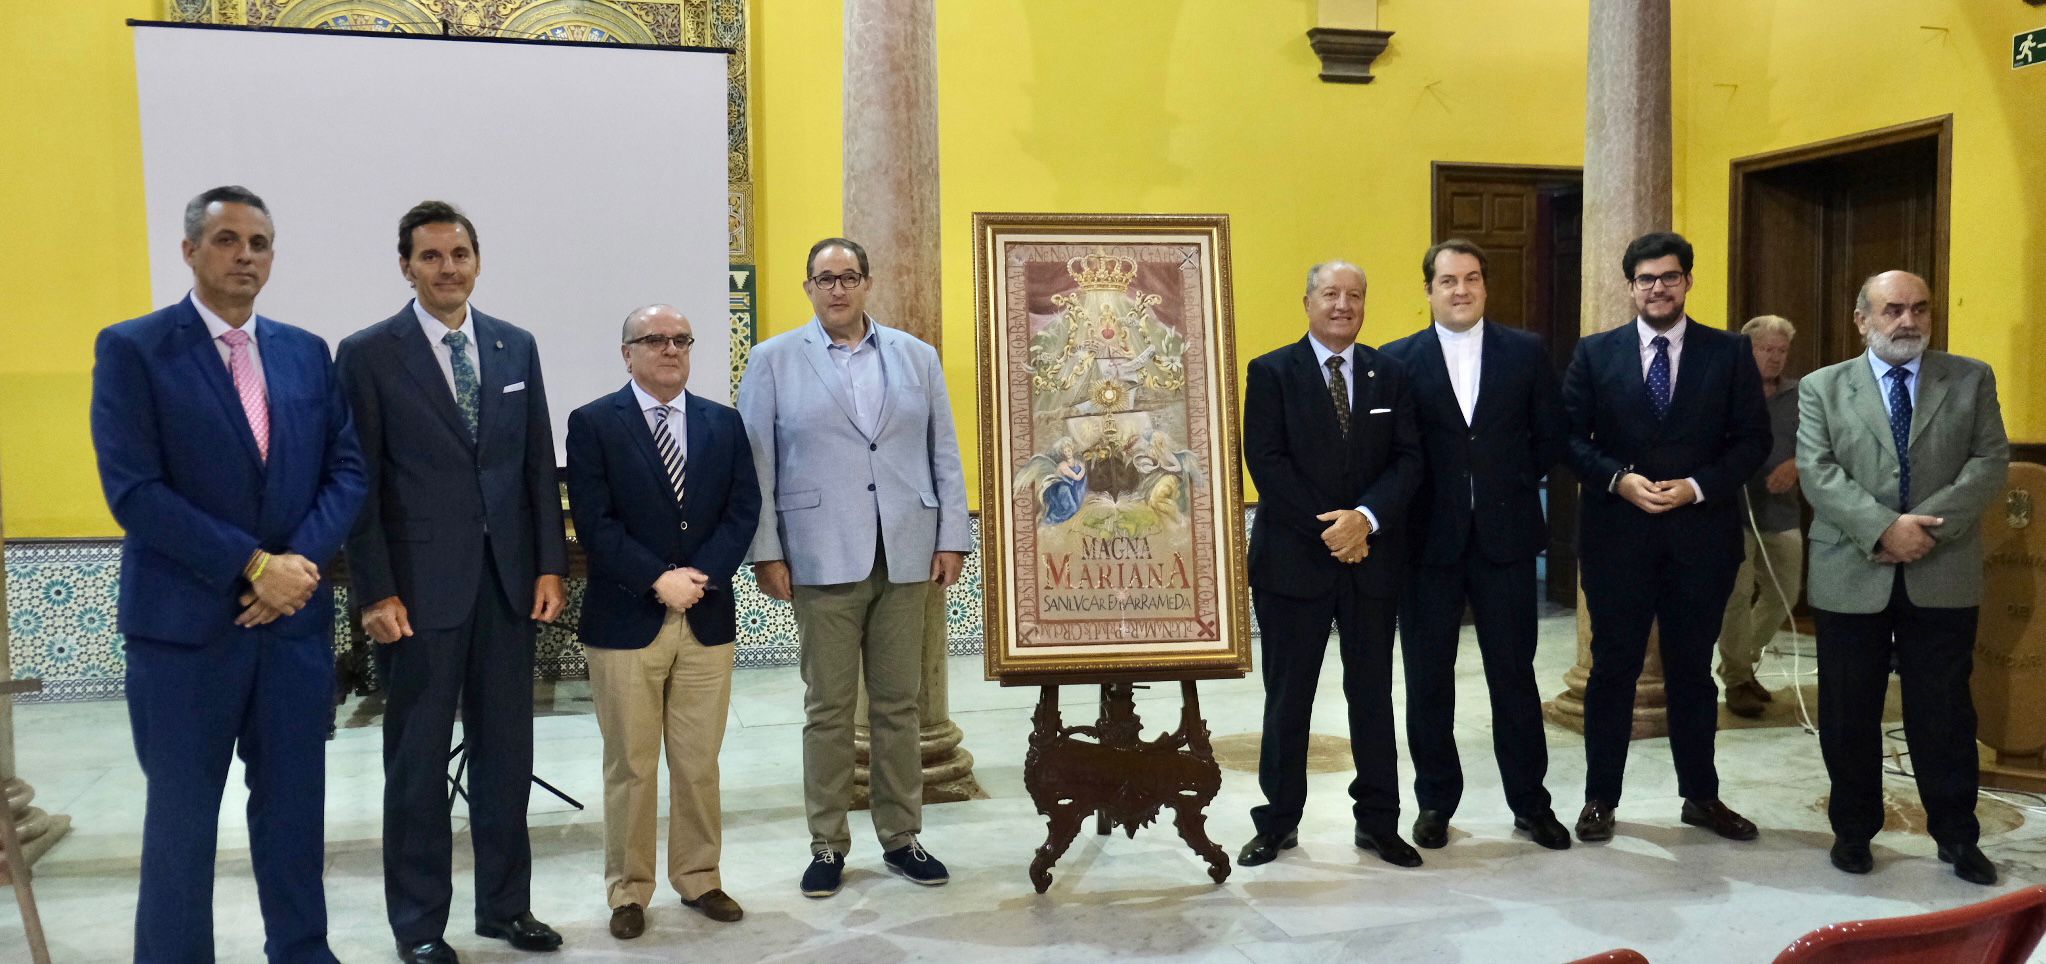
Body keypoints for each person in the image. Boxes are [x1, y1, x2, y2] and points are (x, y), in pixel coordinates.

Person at [91, 185, 365, 963]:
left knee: (293, 813)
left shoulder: (305, 351)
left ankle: (302, 951)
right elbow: (133, 490)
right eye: (228, 240)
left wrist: (297, 570)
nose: (246, 255)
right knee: (181, 820)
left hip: (292, 632)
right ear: (190, 251)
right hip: (185, 635)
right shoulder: (135, 348)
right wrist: (252, 566)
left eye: (260, 243)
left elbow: (345, 470)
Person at [336, 201, 569, 963]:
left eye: (460, 254)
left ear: (477, 260)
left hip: (506, 589)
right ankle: (419, 926)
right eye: (431, 256)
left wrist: (547, 565)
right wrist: (373, 591)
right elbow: (358, 484)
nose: (448, 268)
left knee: (507, 759)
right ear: (406, 265)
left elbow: (535, 465)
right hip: (416, 597)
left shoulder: (513, 346)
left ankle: (506, 908)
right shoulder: (369, 354)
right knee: (416, 767)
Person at [737, 237, 970, 898]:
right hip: (818, 555)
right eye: (824, 279)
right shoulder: (774, 360)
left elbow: (943, 451)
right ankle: (827, 843)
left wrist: (950, 535)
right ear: (807, 287)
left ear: (867, 283)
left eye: (848, 277)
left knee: (901, 705)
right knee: (830, 708)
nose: (836, 289)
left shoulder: (915, 357)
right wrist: (767, 550)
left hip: (905, 553)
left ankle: (902, 836)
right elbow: (756, 464)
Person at [1797, 270, 2007, 885]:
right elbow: (1817, 469)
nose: (1907, 322)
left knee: (1943, 712)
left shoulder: (1970, 378)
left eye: (1919, 309)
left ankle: (1957, 836)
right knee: (1848, 710)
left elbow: (1990, 461)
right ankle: (1853, 831)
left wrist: (1925, 532)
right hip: (1849, 571)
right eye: (1891, 310)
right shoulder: (1822, 387)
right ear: (1861, 319)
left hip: (1942, 571)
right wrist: (1883, 528)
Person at [1562, 231, 1771, 845]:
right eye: (1646, 279)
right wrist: (1618, 480)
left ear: (1687, 282)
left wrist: (1699, 486)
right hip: (1616, 538)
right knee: (1612, 672)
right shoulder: (1595, 354)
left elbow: (1753, 441)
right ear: (1631, 287)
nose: (1658, 288)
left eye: (1669, 277)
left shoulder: (1729, 352)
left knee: (1691, 673)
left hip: (1699, 539)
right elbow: (1569, 438)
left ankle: (1700, 797)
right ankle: (1600, 798)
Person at [565, 305, 760, 939]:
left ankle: (700, 877)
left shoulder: (722, 423)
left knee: (700, 761)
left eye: (680, 340)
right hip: (626, 619)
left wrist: (698, 576)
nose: (669, 349)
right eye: (654, 340)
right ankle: (629, 889)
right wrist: (657, 578)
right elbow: (594, 523)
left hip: (706, 617)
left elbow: (743, 508)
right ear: (627, 353)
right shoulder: (594, 423)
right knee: (632, 763)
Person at [1380, 239, 1571, 852]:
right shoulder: (1396, 359)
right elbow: (1393, 453)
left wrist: (1507, 487)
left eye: (1471, 279)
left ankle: (1530, 803)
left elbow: (1550, 436)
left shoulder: (1526, 351)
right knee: (1429, 678)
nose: (1460, 290)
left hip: (1506, 540)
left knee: (1514, 676)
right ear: (1428, 290)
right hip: (1426, 545)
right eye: (1447, 280)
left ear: (1485, 286)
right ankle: (1435, 800)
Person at [1236, 260, 1423, 869]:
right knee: (1289, 698)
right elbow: (1266, 462)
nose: (1343, 304)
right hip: (1294, 562)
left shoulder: (1388, 373)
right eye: (1330, 294)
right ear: (1308, 301)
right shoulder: (1270, 372)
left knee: (1371, 696)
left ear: (1365, 305)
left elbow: (1409, 461)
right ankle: (1279, 822)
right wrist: (1334, 528)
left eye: (1355, 295)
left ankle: (1378, 823)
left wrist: (1364, 520)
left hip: (1371, 562)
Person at [1716, 314, 1805, 718]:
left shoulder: (1802, 394)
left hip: (1782, 512)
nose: (1774, 358)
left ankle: (1742, 659)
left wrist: (1798, 465)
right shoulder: (1725, 390)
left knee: (1785, 590)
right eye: (1765, 349)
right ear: (1746, 350)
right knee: (1735, 595)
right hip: (1732, 512)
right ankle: (1737, 680)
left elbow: (1825, 443)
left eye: (1781, 351)